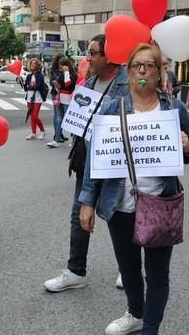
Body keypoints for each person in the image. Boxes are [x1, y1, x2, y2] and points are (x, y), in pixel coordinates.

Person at [78, 43, 189, 335]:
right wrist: (87, 201)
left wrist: (188, 147)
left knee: (157, 275)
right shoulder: (112, 107)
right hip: (119, 206)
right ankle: (135, 314)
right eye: (137, 65)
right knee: (129, 269)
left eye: (150, 66)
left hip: (160, 204)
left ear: (160, 72)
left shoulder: (173, 109)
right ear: (128, 71)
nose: (143, 71)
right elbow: (96, 159)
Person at [44, 34, 129, 293]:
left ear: (109, 56)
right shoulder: (89, 83)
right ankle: (75, 271)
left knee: (122, 219)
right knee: (78, 216)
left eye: (93, 53)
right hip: (87, 162)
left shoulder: (127, 85)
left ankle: (128, 270)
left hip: (116, 163)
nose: (88, 58)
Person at [48, 58, 77, 148]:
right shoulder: (61, 74)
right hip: (60, 98)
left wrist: (66, 73)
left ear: (66, 65)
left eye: (61, 65)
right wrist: (56, 84)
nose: (60, 67)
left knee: (69, 120)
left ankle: (74, 141)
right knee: (58, 119)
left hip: (68, 99)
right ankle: (56, 140)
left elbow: (68, 84)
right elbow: (60, 86)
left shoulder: (73, 74)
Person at [24, 58, 47, 140]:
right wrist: (30, 86)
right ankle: (33, 133)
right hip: (29, 97)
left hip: (37, 97)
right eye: (31, 64)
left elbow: (38, 86)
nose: (33, 65)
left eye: (34, 64)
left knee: (35, 116)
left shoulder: (40, 76)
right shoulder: (29, 76)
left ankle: (42, 130)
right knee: (31, 116)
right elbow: (25, 87)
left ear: (38, 65)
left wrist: (31, 86)